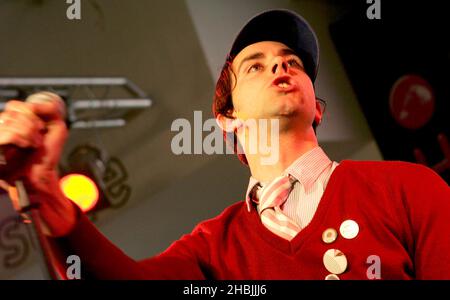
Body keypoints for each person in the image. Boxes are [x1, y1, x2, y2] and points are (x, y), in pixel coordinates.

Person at [0, 9, 449, 280]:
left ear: (318, 110)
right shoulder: (211, 252)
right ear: (226, 117)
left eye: (292, 63)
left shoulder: (409, 187)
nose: (281, 67)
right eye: (256, 66)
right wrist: (47, 196)